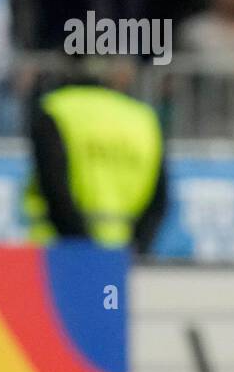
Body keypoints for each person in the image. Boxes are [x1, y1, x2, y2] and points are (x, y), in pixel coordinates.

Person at [25, 74, 167, 255]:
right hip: (121, 255)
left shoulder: (56, 108)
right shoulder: (143, 118)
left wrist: (88, 254)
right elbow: (158, 203)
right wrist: (134, 252)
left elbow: (55, 191)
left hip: (56, 256)